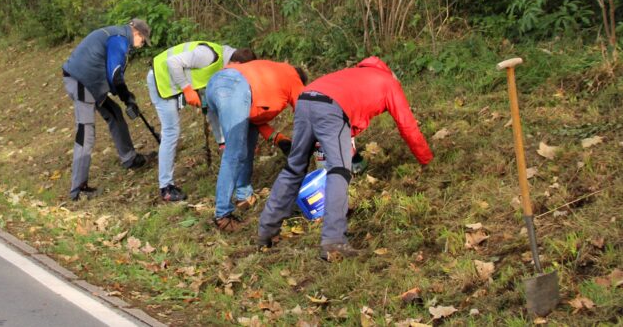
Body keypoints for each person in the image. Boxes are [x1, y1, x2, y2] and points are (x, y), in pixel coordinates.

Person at [256, 56, 433, 261]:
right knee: (339, 171)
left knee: (294, 167)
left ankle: (266, 231)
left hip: (305, 100)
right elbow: (407, 125)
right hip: (331, 108)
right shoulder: (389, 83)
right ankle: (334, 240)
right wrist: (427, 160)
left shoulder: (356, 73)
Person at [146, 42, 256, 202]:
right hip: (160, 79)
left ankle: (223, 144)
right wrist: (187, 89)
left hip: (173, 82)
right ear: (236, 64)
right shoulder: (208, 55)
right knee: (171, 131)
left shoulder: (223, 63)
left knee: (211, 106)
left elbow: (212, 107)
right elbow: (173, 62)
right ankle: (166, 188)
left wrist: (222, 142)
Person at [206, 59, 305, 231]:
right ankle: (222, 215)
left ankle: (243, 194)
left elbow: (255, 118)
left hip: (217, 84)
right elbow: (306, 113)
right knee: (234, 153)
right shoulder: (294, 78)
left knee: (246, 146)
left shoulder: (272, 75)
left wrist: (278, 138)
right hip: (234, 86)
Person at [62, 18, 152, 201]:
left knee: (115, 113)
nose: (140, 45)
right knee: (86, 133)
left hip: (90, 82)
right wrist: (127, 96)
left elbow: (111, 73)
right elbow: (114, 74)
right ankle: (78, 189)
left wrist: (126, 98)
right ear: (136, 33)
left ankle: (130, 158)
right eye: (142, 41)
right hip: (80, 81)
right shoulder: (119, 40)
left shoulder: (117, 35)